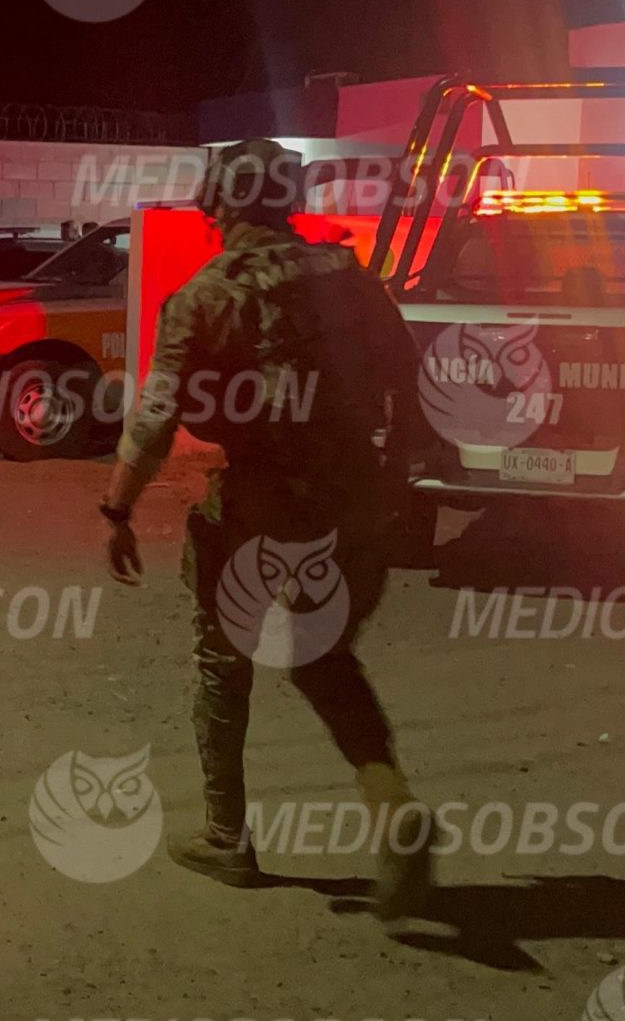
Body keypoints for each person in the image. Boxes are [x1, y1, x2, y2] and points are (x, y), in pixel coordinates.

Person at [98, 138, 437, 921]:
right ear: (288, 200)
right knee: (323, 655)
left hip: (258, 504)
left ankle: (227, 835)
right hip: (355, 501)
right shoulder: (352, 278)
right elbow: (410, 381)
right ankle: (390, 801)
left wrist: (117, 509)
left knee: (223, 660)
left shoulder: (204, 295)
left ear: (219, 202)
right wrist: (397, 480)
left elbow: (155, 418)